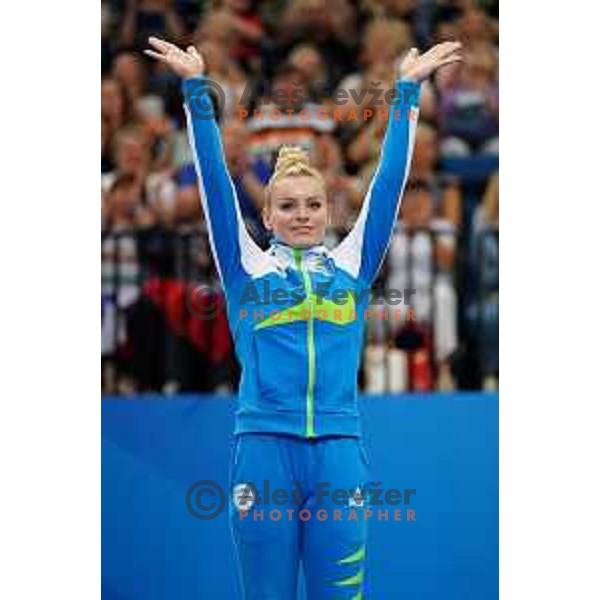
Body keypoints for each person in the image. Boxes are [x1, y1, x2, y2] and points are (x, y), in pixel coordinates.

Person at [144, 35, 461, 600]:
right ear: (265, 216)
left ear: (328, 210)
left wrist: (407, 91)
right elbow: (215, 182)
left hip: (339, 452)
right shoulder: (246, 269)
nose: (302, 215)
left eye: (313, 205)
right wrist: (196, 89)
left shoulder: (352, 266)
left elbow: (388, 185)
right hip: (264, 448)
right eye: (287, 206)